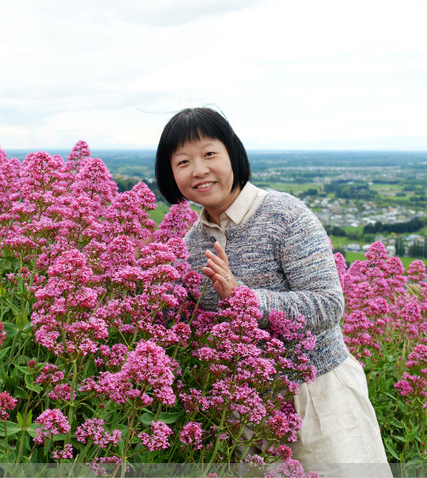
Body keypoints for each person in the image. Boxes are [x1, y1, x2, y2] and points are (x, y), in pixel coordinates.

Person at [154, 107, 389, 474]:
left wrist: (242, 298)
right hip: (243, 411)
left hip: (317, 397)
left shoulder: (285, 215)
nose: (198, 170)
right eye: (183, 161)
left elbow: (328, 305)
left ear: (233, 153)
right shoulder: (189, 244)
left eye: (209, 154)